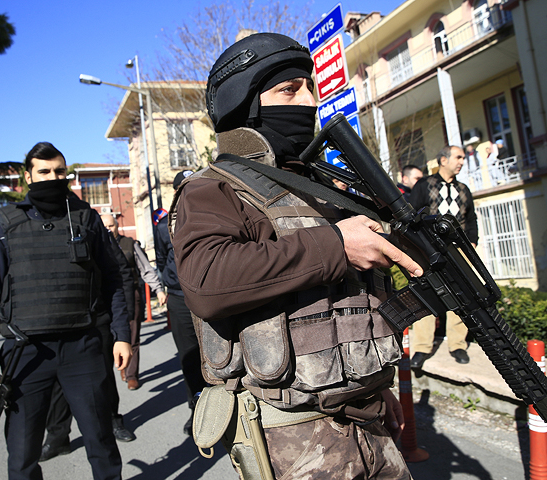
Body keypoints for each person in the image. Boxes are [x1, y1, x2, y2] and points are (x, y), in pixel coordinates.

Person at [170, 33, 422, 479]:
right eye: (289, 90)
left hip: (370, 422)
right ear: (244, 104)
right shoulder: (212, 189)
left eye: (310, 87)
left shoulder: (321, 189)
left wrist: (375, 386)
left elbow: (352, 303)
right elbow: (206, 281)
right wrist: (336, 246)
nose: (309, 102)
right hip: (291, 436)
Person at [0, 142, 131, 480]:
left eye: (59, 171)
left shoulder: (86, 217)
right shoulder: (4, 223)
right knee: (22, 452)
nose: (52, 177)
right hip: (26, 352)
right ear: (28, 176)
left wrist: (122, 336)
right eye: (44, 172)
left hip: (83, 348)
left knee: (101, 442)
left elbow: (113, 278)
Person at [39, 225, 138, 462]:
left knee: (102, 379)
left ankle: (114, 421)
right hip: (54, 322)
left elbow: (120, 272)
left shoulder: (88, 227)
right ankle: (57, 437)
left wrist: (125, 319)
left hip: (94, 320)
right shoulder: (42, 231)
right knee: (56, 386)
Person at [409, 145, 478, 369]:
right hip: (429, 251)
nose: (461, 161)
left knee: (463, 297)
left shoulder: (464, 189)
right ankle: (421, 348)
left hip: (460, 251)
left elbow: (472, 218)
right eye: (458, 157)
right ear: (443, 160)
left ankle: (457, 344)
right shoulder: (424, 185)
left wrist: (472, 242)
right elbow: (412, 215)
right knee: (427, 296)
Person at [154, 170, 206, 436]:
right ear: (176, 193)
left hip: (207, 298)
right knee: (189, 358)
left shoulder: (210, 217)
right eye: (182, 188)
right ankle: (197, 410)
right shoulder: (162, 227)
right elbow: (162, 259)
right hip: (178, 299)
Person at [101, 214, 167, 391]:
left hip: (131, 295)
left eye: (111, 226)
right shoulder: (97, 246)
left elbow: (146, 269)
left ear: (116, 226)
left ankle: (131, 375)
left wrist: (158, 290)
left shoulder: (130, 244)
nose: (108, 229)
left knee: (132, 336)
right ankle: (121, 364)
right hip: (106, 299)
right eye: (104, 226)